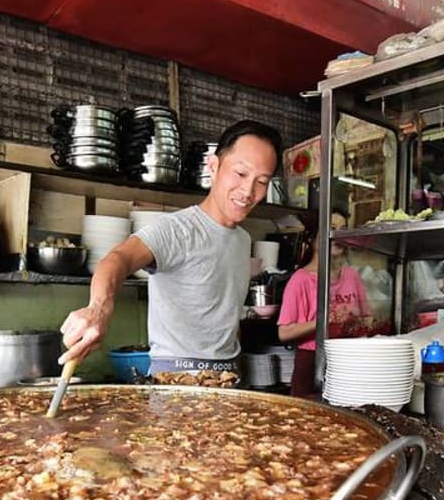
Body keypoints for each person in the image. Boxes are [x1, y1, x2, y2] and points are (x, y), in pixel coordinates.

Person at [59, 120, 282, 375]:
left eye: (261, 181)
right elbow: (118, 259)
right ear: (214, 166)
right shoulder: (178, 229)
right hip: (176, 383)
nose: (248, 191)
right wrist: (98, 309)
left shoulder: (242, 240)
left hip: (229, 377)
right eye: (241, 174)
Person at [276, 224, 371, 397]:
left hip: (349, 358)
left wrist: (356, 322)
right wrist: (324, 321)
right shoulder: (300, 280)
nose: (337, 236)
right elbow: (284, 332)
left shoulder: (352, 275)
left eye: (343, 230)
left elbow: (368, 318)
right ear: (313, 240)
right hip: (312, 360)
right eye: (332, 229)